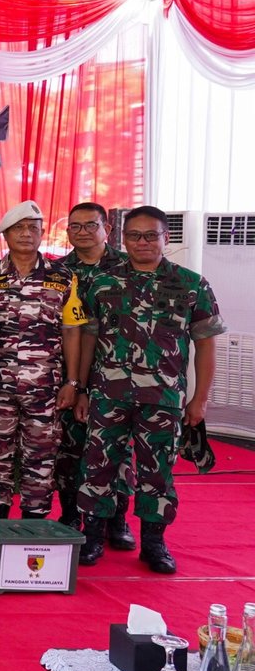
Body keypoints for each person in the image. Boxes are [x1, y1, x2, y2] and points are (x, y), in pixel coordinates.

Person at [74, 205, 224, 573]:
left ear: (165, 238)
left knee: (157, 472)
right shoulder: (102, 281)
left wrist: (200, 399)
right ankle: (93, 537)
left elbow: (206, 344)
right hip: (107, 395)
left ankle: (154, 543)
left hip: (164, 399)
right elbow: (88, 337)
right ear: (122, 238)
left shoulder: (191, 284)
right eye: (134, 235)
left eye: (151, 235)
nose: (142, 242)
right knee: (98, 467)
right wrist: (80, 388)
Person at [0, 201, 84, 522]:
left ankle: (34, 525)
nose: (26, 234)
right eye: (18, 229)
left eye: (32, 228)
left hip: (46, 389)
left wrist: (73, 382)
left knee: (41, 455)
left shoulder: (63, 277)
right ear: (5, 235)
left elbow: (72, 332)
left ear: (41, 234)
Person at [52, 202, 132, 538]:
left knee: (118, 450)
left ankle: (116, 519)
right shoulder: (56, 272)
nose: (82, 232)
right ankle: (71, 513)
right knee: (68, 445)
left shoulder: (129, 268)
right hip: (68, 373)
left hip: (118, 375)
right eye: (75, 226)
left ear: (106, 229)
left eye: (90, 225)